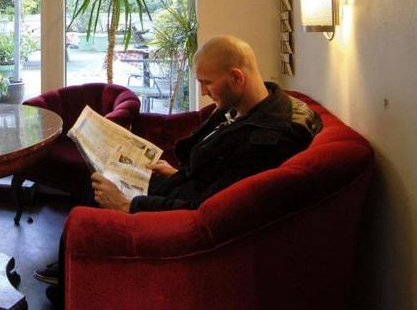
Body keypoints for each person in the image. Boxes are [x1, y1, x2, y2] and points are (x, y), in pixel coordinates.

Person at [37, 35, 322, 304]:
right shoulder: (249, 105)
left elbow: (208, 210)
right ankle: (68, 270)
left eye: (207, 83)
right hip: (182, 185)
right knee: (98, 177)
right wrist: (173, 172)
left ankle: (70, 283)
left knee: (97, 191)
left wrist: (127, 205)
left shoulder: (266, 141)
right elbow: (215, 172)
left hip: (183, 210)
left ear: (237, 77)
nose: (203, 92)